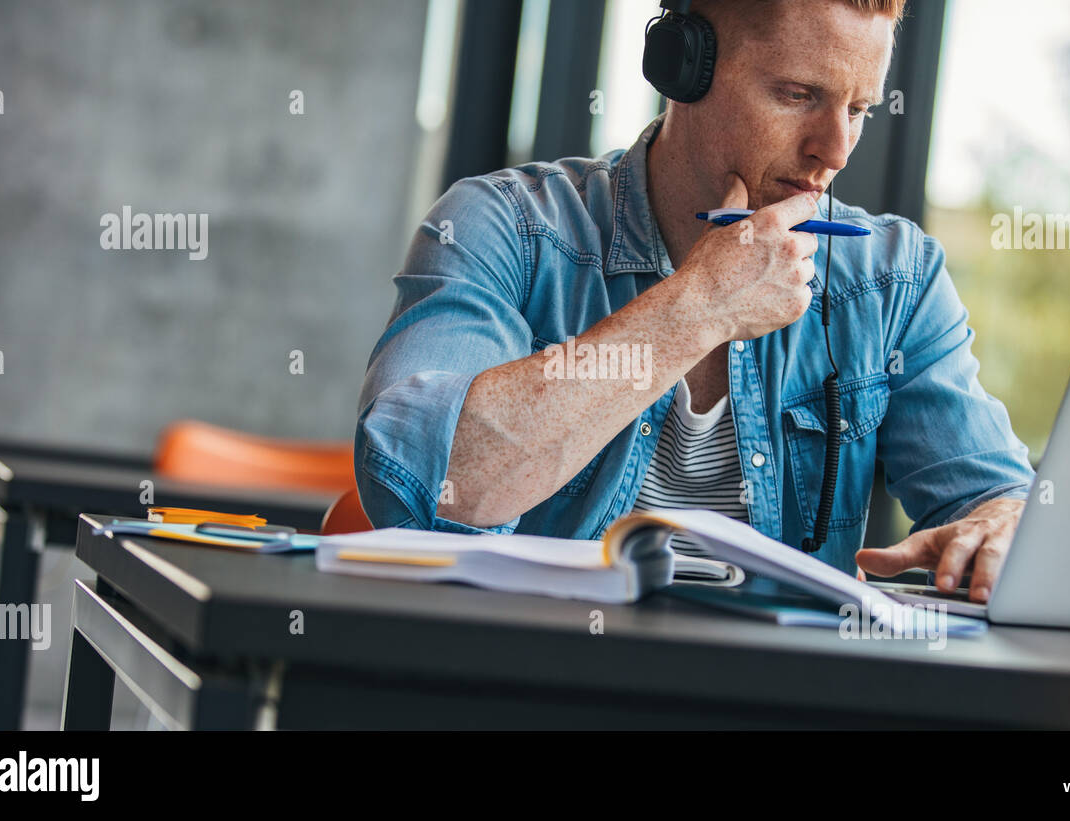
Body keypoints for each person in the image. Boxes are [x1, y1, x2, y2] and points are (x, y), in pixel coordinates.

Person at [355, 0, 1034, 603]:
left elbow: (995, 499)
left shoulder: (893, 280)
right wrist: (700, 304)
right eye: (799, 94)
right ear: (681, 65)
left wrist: (1003, 525)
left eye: (857, 109)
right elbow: (425, 487)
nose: (836, 150)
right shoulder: (502, 227)